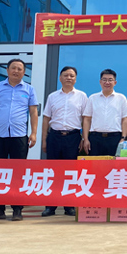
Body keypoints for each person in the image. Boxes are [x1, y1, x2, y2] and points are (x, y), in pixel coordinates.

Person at [0, 59, 39, 221]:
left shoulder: (29, 89)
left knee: (18, 173)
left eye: (20, 69)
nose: (16, 71)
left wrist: (34, 133)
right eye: (13, 68)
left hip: (19, 136)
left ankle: (17, 209)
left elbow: (33, 112)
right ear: (7, 70)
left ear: (24, 72)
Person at [40, 66, 88, 218]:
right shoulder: (52, 96)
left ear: (75, 79)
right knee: (52, 172)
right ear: (60, 78)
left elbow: (85, 119)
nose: (69, 78)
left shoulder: (82, 96)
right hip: (54, 136)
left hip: (73, 137)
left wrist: (83, 138)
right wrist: (44, 139)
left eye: (72, 76)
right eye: (66, 75)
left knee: (71, 173)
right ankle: (50, 206)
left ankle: (69, 206)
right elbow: (46, 119)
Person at [82, 69, 127, 156]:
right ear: (100, 82)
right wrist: (85, 139)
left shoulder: (121, 98)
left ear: (115, 82)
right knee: (94, 163)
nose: (107, 82)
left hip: (114, 138)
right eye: (104, 80)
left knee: (114, 163)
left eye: (110, 80)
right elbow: (87, 119)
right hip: (95, 138)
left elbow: (125, 119)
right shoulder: (93, 98)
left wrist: (123, 138)